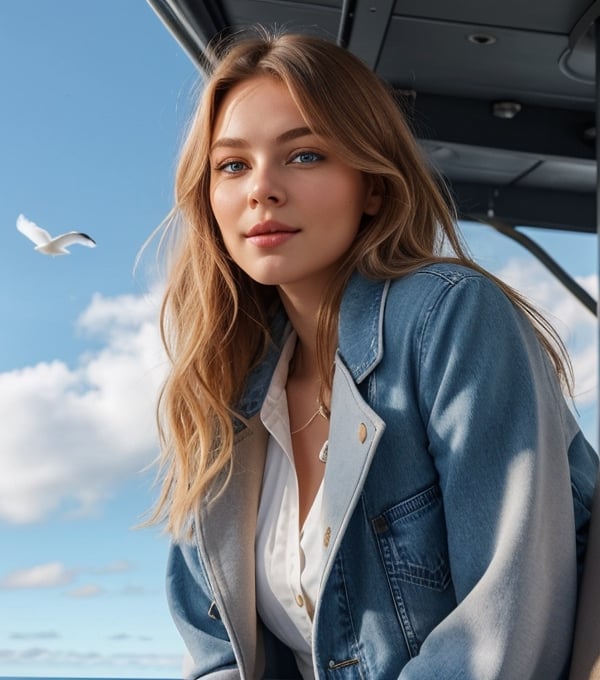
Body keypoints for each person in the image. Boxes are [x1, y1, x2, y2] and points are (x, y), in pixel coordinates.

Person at [149, 27, 599, 679]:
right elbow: (215, 653)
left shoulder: (448, 319)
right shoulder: (219, 392)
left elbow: (498, 636)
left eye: (303, 156)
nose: (261, 189)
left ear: (375, 186)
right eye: (233, 165)